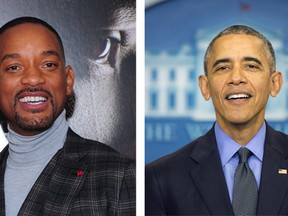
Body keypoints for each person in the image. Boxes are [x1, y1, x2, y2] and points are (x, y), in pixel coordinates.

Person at [145, 25, 288, 215]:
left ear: (274, 83)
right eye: (223, 68)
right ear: (205, 87)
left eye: (251, 66)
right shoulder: (162, 178)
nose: (236, 78)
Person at [0, 17, 135, 215]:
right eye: (14, 67)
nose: (33, 78)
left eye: (48, 65)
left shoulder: (118, 175)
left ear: (68, 80)